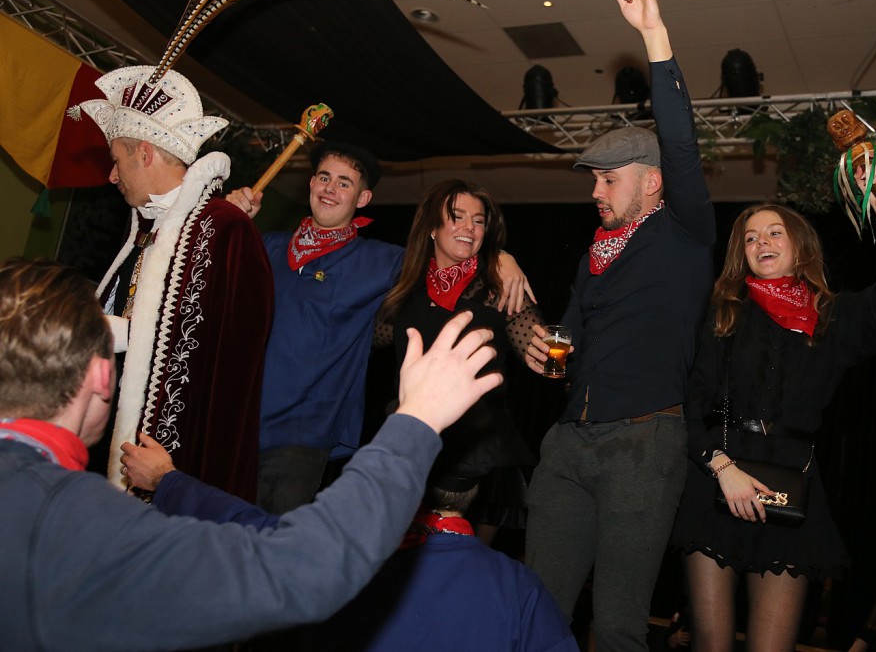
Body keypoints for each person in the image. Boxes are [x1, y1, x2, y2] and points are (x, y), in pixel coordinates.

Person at [0, 257, 500, 652]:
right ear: (102, 377)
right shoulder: (71, 522)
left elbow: (259, 533)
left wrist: (171, 482)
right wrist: (417, 419)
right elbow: (301, 569)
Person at [522, 0, 716, 650]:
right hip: (569, 442)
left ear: (652, 182)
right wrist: (541, 346)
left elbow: (681, 140)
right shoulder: (593, 255)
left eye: (609, 179)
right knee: (536, 609)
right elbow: (568, 337)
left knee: (618, 624)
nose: (596, 191)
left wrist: (653, 35)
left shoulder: (684, 233)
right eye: (595, 180)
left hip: (643, 442)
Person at [672, 162, 876, 651]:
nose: (762, 243)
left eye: (775, 232)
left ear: (800, 245)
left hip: (790, 488)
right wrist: (720, 467)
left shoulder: (831, 316)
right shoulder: (723, 312)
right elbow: (689, 400)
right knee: (711, 643)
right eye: (750, 238)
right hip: (717, 482)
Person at [121, 389, 578, 652]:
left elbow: (248, 527)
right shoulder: (521, 591)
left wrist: (166, 480)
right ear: (483, 485)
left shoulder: (344, 558)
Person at [228, 149, 533, 514]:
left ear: (363, 198)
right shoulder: (265, 246)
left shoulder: (386, 262)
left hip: (301, 436)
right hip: (236, 423)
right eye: (324, 177)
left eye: (345, 183)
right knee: (211, 534)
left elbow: (449, 255)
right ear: (311, 184)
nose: (330, 188)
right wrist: (229, 223)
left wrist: (500, 258)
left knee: (273, 542)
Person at [78, 65, 273, 501]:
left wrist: (123, 333)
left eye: (117, 160)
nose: (112, 176)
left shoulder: (223, 228)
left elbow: (227, 351)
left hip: (172, 450)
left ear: (145, 154)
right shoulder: (146, 224)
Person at [375, 179, 541, 535]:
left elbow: (540, 348)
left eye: (478, 221)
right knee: (404, 561)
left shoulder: (499, 287)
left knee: (466, 563)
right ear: (432, 228)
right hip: (411, 449)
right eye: (457, 216)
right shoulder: (404, 289)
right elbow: (362, 339)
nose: (469, 227)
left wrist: (560, 356)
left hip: (480, 456)